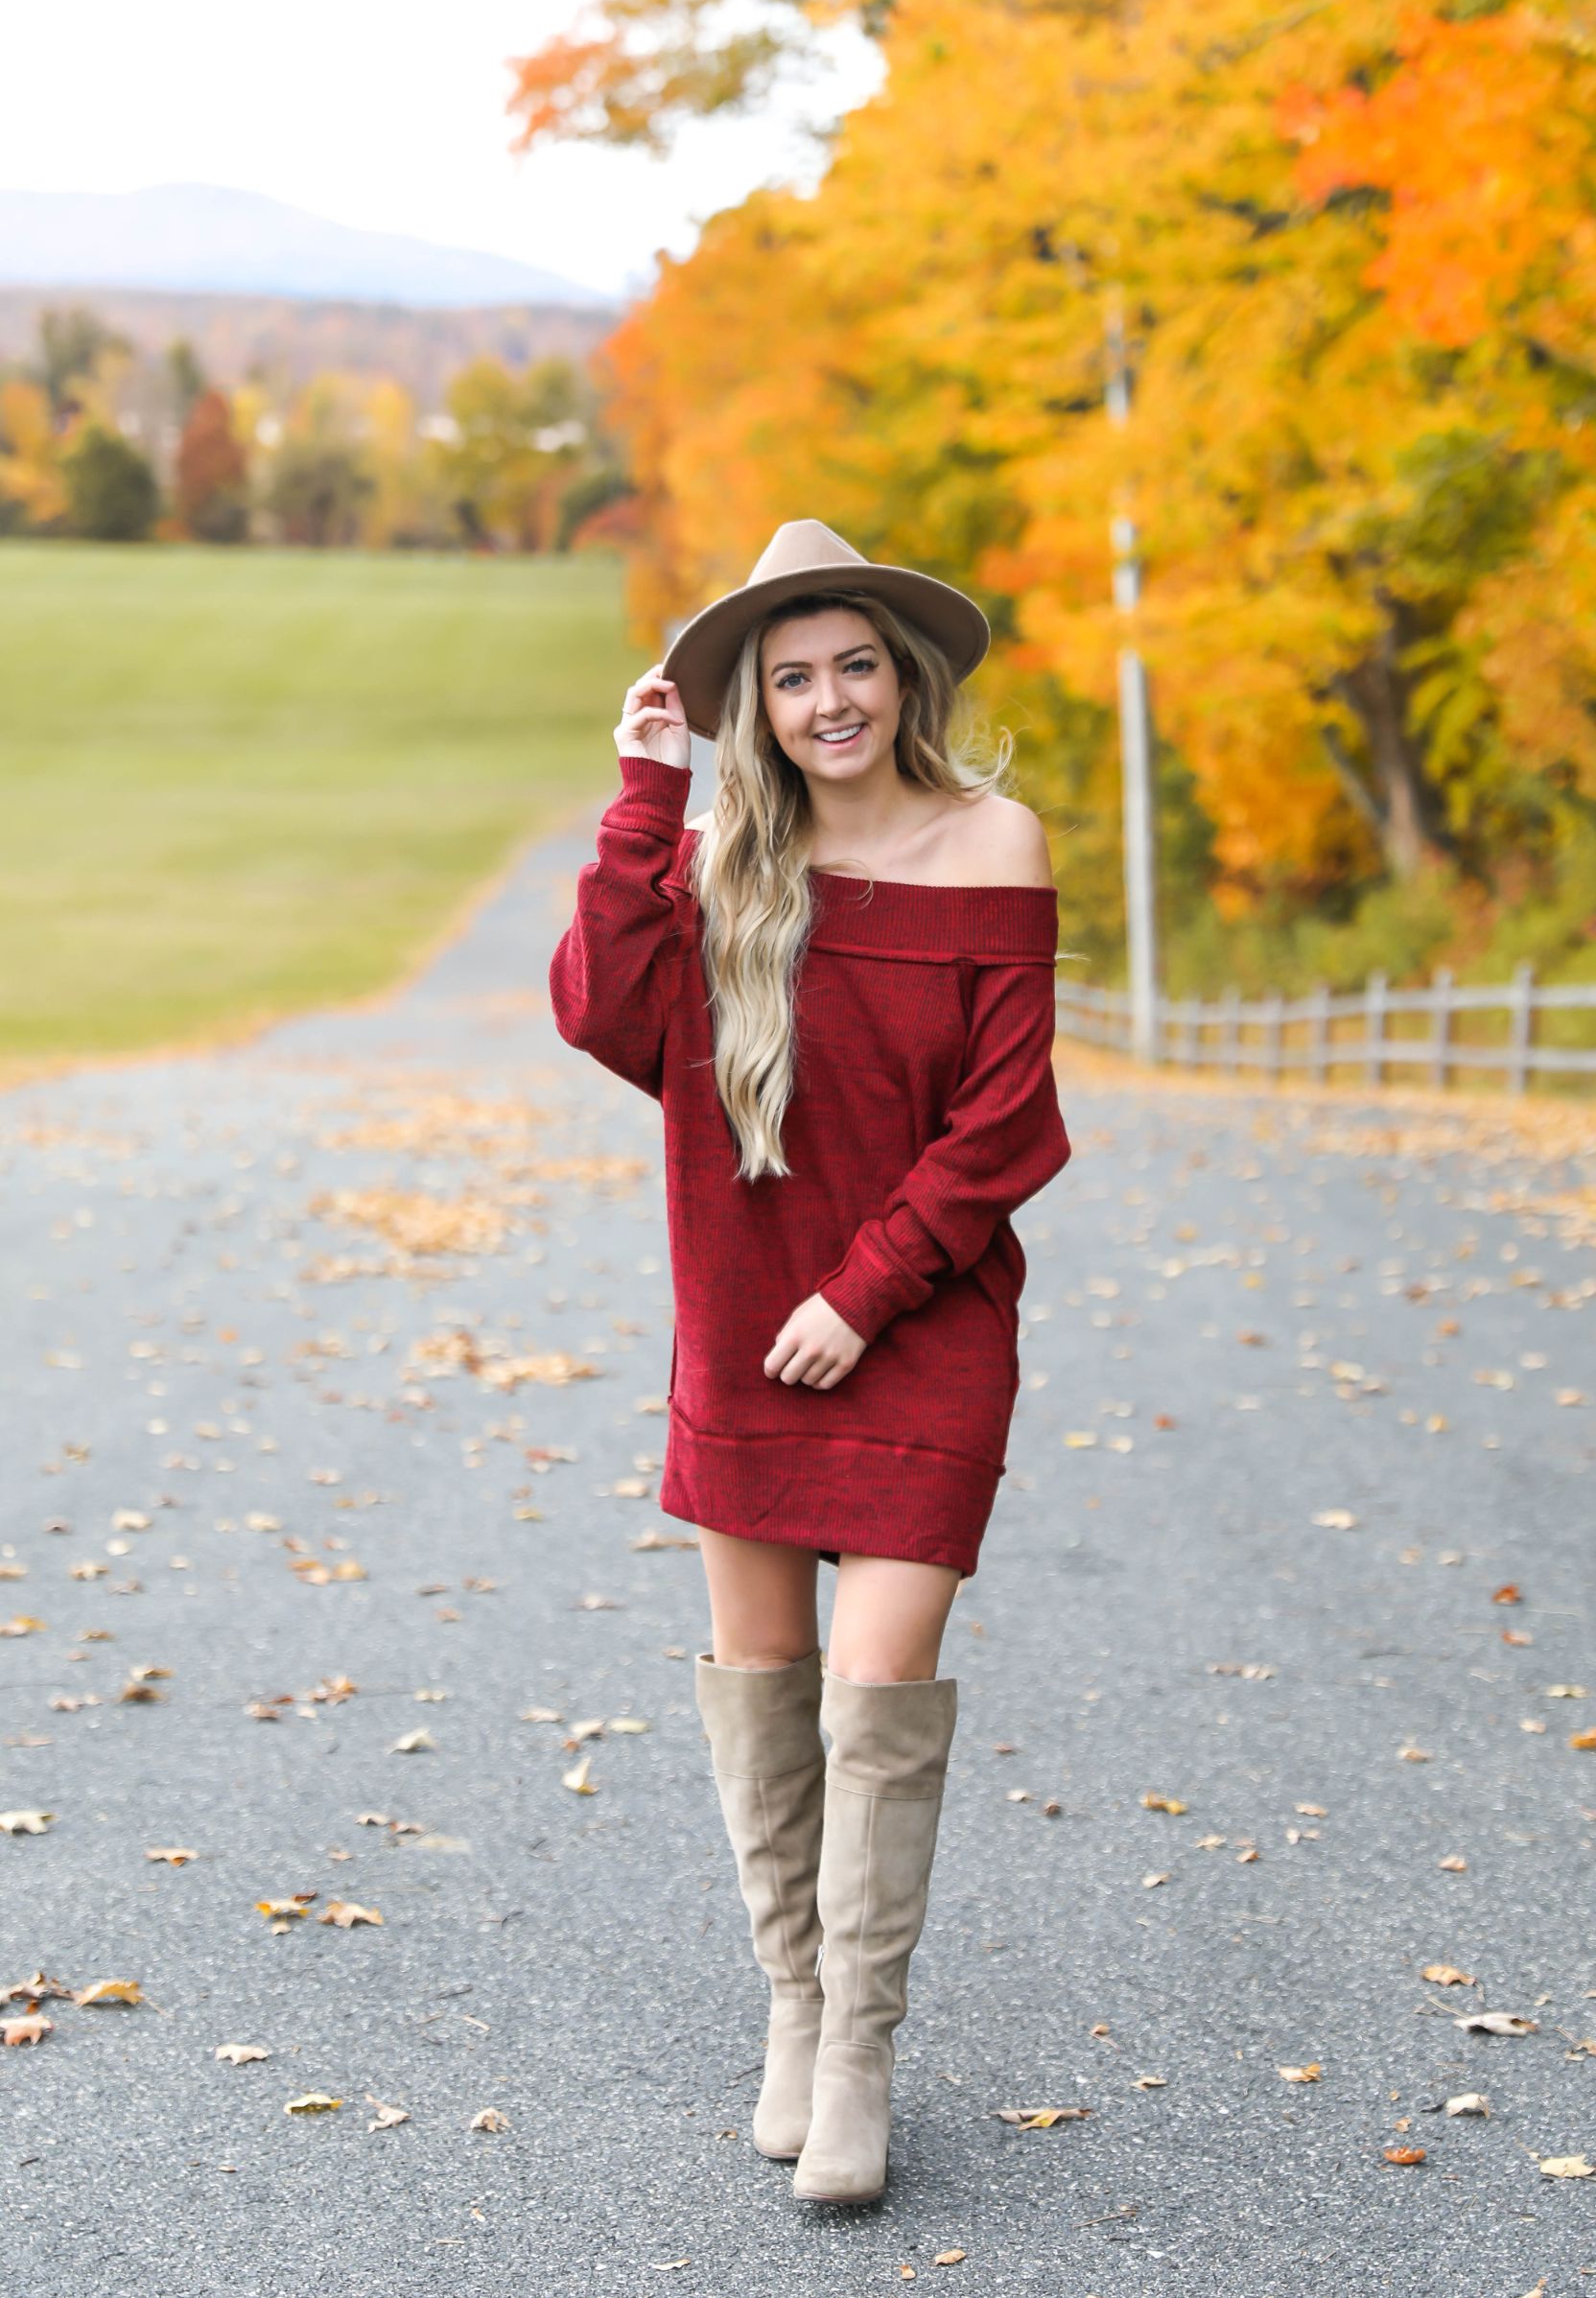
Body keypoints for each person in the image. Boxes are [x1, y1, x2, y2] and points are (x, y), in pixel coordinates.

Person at [549, 518, 1072, 2205]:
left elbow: (1005, 1122)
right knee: (761, 1681)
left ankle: (861, 2051)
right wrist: (643, 799)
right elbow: (600, 1009)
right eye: (791, 677)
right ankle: (794, 2002)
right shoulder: (717, 867)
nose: (830, 698)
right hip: (744, 1307)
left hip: (918, 1317)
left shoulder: (996, 840)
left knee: (878, 1689)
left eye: (855, 664)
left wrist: (870, 1289)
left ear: (901, 675)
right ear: (750, 709)